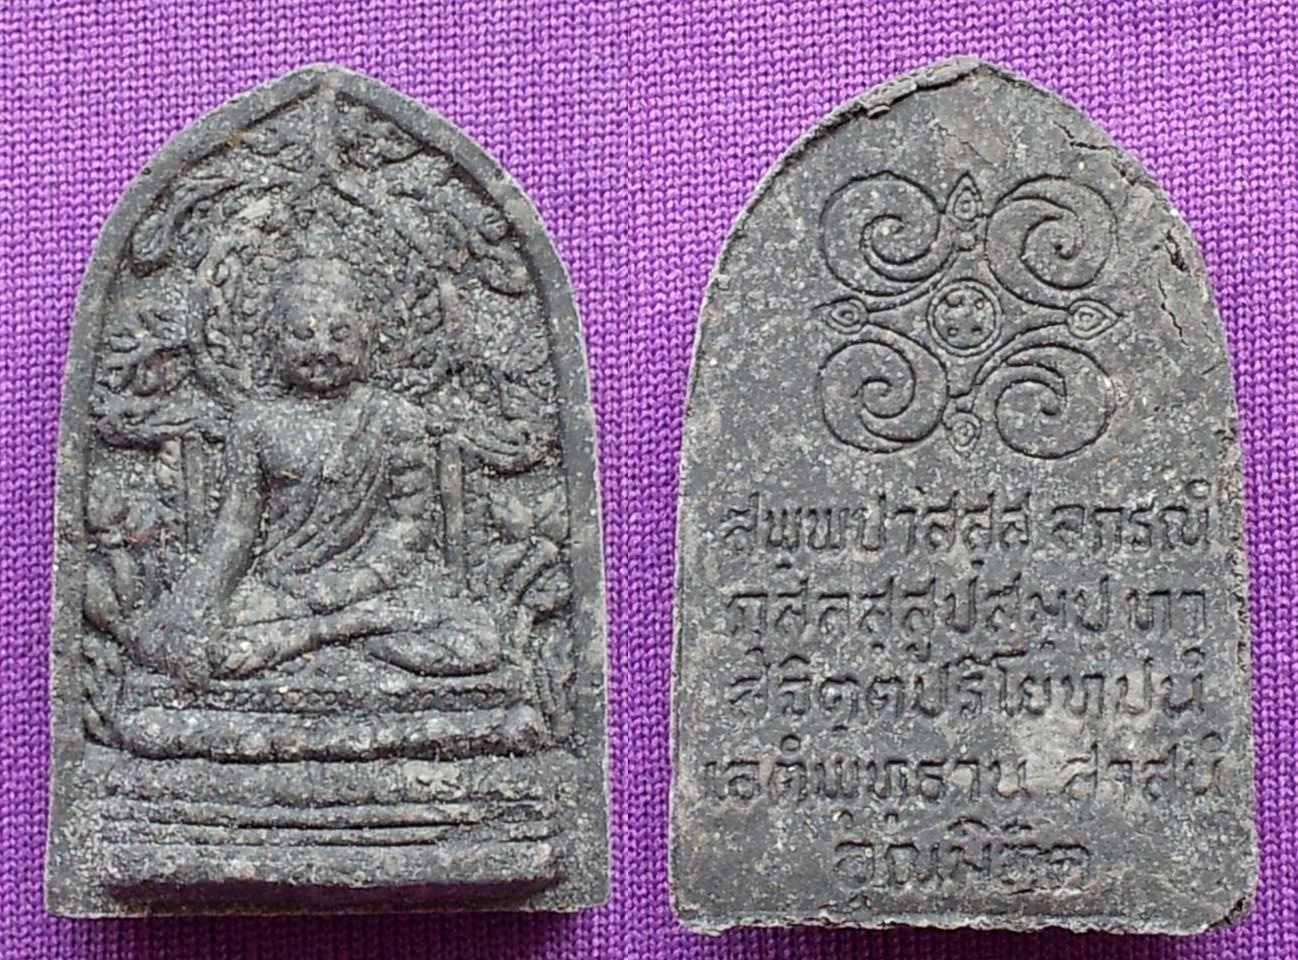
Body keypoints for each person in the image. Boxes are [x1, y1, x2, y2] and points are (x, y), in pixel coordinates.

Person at [133, 255, 500, 687]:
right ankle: (337, 638)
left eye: (339, 334)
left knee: (478, 639)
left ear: (366, 335)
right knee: (169, 639)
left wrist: (356, 583)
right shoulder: (255, 421)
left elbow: (408, 524)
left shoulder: (393, 417)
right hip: (282, 588)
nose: (322, 349)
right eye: (302, 334)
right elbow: (236, 529)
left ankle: (312, 637)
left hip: (374, 590)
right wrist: (195, 601)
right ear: (274, 340)